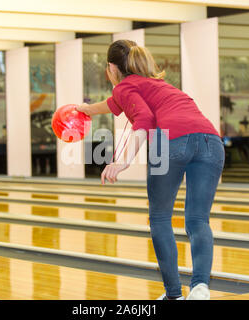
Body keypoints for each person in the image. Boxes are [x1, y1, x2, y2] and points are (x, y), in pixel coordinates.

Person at [77, 39, 225, 300]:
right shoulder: (157, 85)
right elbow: (114, 104)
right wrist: (87, 109)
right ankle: (200, 287)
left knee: (159, 218)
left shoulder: (125, 87)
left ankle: (173, 295)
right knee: (198, 220)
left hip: (169, 141)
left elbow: (143, 118)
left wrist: (122, 160)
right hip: (211, 141)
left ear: (111, 68)